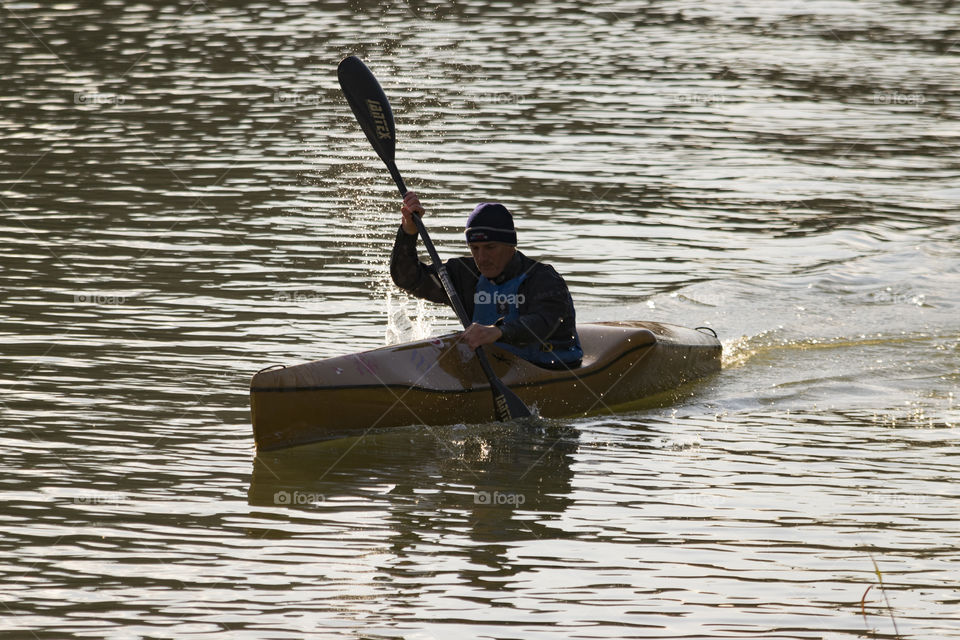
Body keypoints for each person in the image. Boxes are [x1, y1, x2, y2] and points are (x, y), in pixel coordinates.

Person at [390, 191, 582, 369]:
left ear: (510, 245)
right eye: (475, 248)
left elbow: (543, 322)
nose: (482, 258)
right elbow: (407, 278)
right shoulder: (463, 274)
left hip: (552, 366)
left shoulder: (543, 279)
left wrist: (499, 332)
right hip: (497, 367)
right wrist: (409, 231)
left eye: (490, 248)